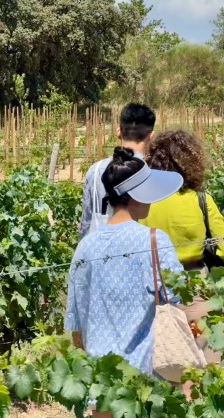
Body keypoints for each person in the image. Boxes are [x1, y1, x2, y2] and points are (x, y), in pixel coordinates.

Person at [66, 147, 184, 378]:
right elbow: (176, 293)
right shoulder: (154, 240)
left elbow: (75, 319)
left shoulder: (86, 246)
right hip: (143, 373)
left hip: (101, 374)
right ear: (135, 195)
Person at [141, 130, 224, 364]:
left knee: (161, 362)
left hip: (151, 286)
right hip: (194, 287)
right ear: (191, 162)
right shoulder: (200, 200)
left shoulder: (142, 202)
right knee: (208, 365)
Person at [79, 103, 156, 237]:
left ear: (118, 131)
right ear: (151, 135)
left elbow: (87, 222)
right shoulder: (153, 172)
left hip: (99, 250)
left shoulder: (95, 170)